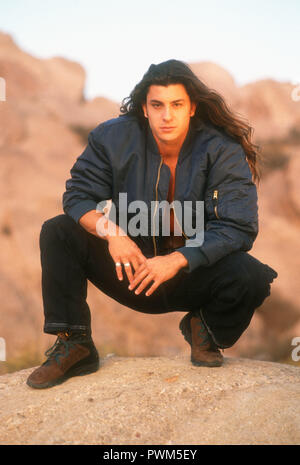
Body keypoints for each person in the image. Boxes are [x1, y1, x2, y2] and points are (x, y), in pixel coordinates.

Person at [27, 59, 277, 389]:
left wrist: (177, 260)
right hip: (132, 269)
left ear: (192, 108)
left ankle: (204, 328)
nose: (166, 115)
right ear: (144, 108)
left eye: (177, 104)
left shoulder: (221, 149)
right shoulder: (112, 137)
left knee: (253, 276)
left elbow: (239, 226)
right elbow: (78, 197)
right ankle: (75, 344)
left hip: (192, 273)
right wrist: (113, 234)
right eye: (157, 105)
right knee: (58, 231)